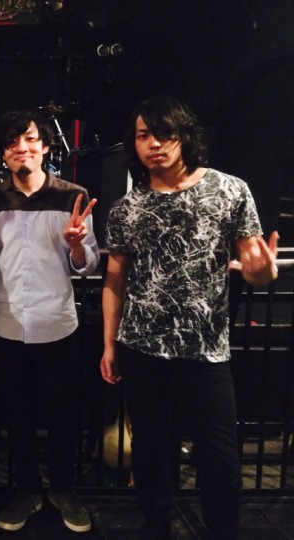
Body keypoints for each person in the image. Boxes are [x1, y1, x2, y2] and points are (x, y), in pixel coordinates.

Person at [100, 95, 279, 540]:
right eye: (144, 135)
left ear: (185, 136)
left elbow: (254, 267)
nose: (154, 144)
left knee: (219, 452)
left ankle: (223, 529)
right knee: (150, 448)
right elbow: (114, 281)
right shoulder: (127, 208)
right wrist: (109, 344)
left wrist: (263, 271)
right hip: (142, 346)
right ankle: (156, 524)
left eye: (164, 134)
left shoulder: (229, 190)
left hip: (206, 349)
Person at [0, 110, 99, 533]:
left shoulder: (73, 196)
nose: (21, 149)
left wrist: (76, 246)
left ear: (45, 146)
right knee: (17, 415)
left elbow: (87, 264)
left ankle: (63, 490)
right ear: (3, 153)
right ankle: (27, 490)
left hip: (56, 323)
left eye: (30, 140)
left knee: (63, 415)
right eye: (12, 143)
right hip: (5, 323)